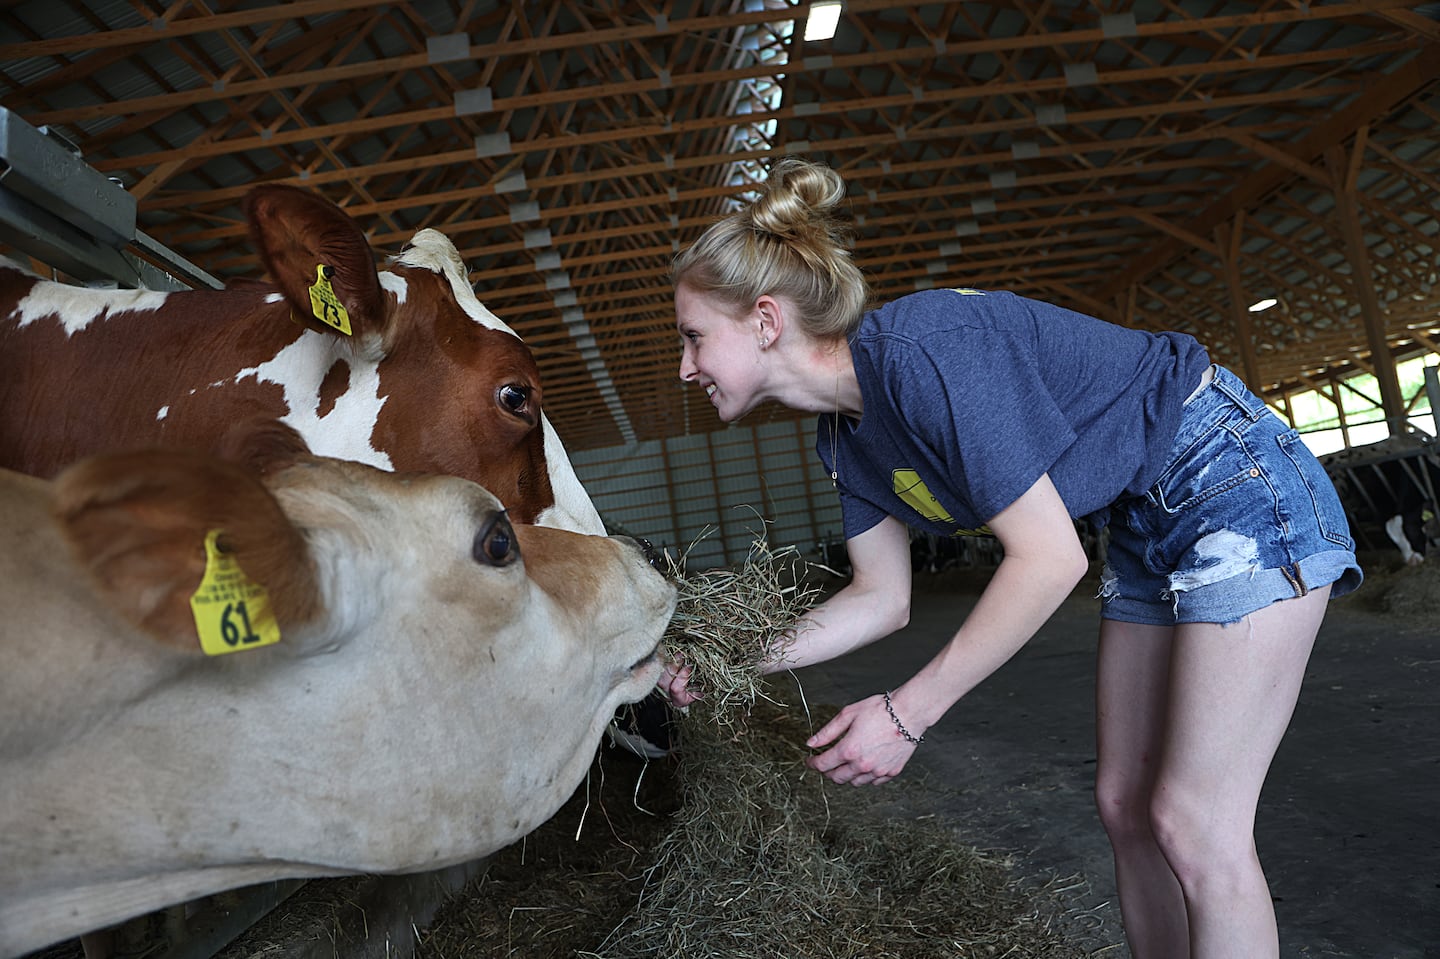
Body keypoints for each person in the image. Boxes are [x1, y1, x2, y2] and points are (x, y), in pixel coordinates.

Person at [660, 156, 1362, 959]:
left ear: (764, 320)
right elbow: (879, 597)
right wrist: (730, 661)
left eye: (692, 336)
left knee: (1195, 819)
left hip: (1227, 478)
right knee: (1126, 805)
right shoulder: (843, 438)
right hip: (1140, 518)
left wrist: (905, 713)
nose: (686, 367)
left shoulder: (924, 351)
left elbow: (1047, 559)